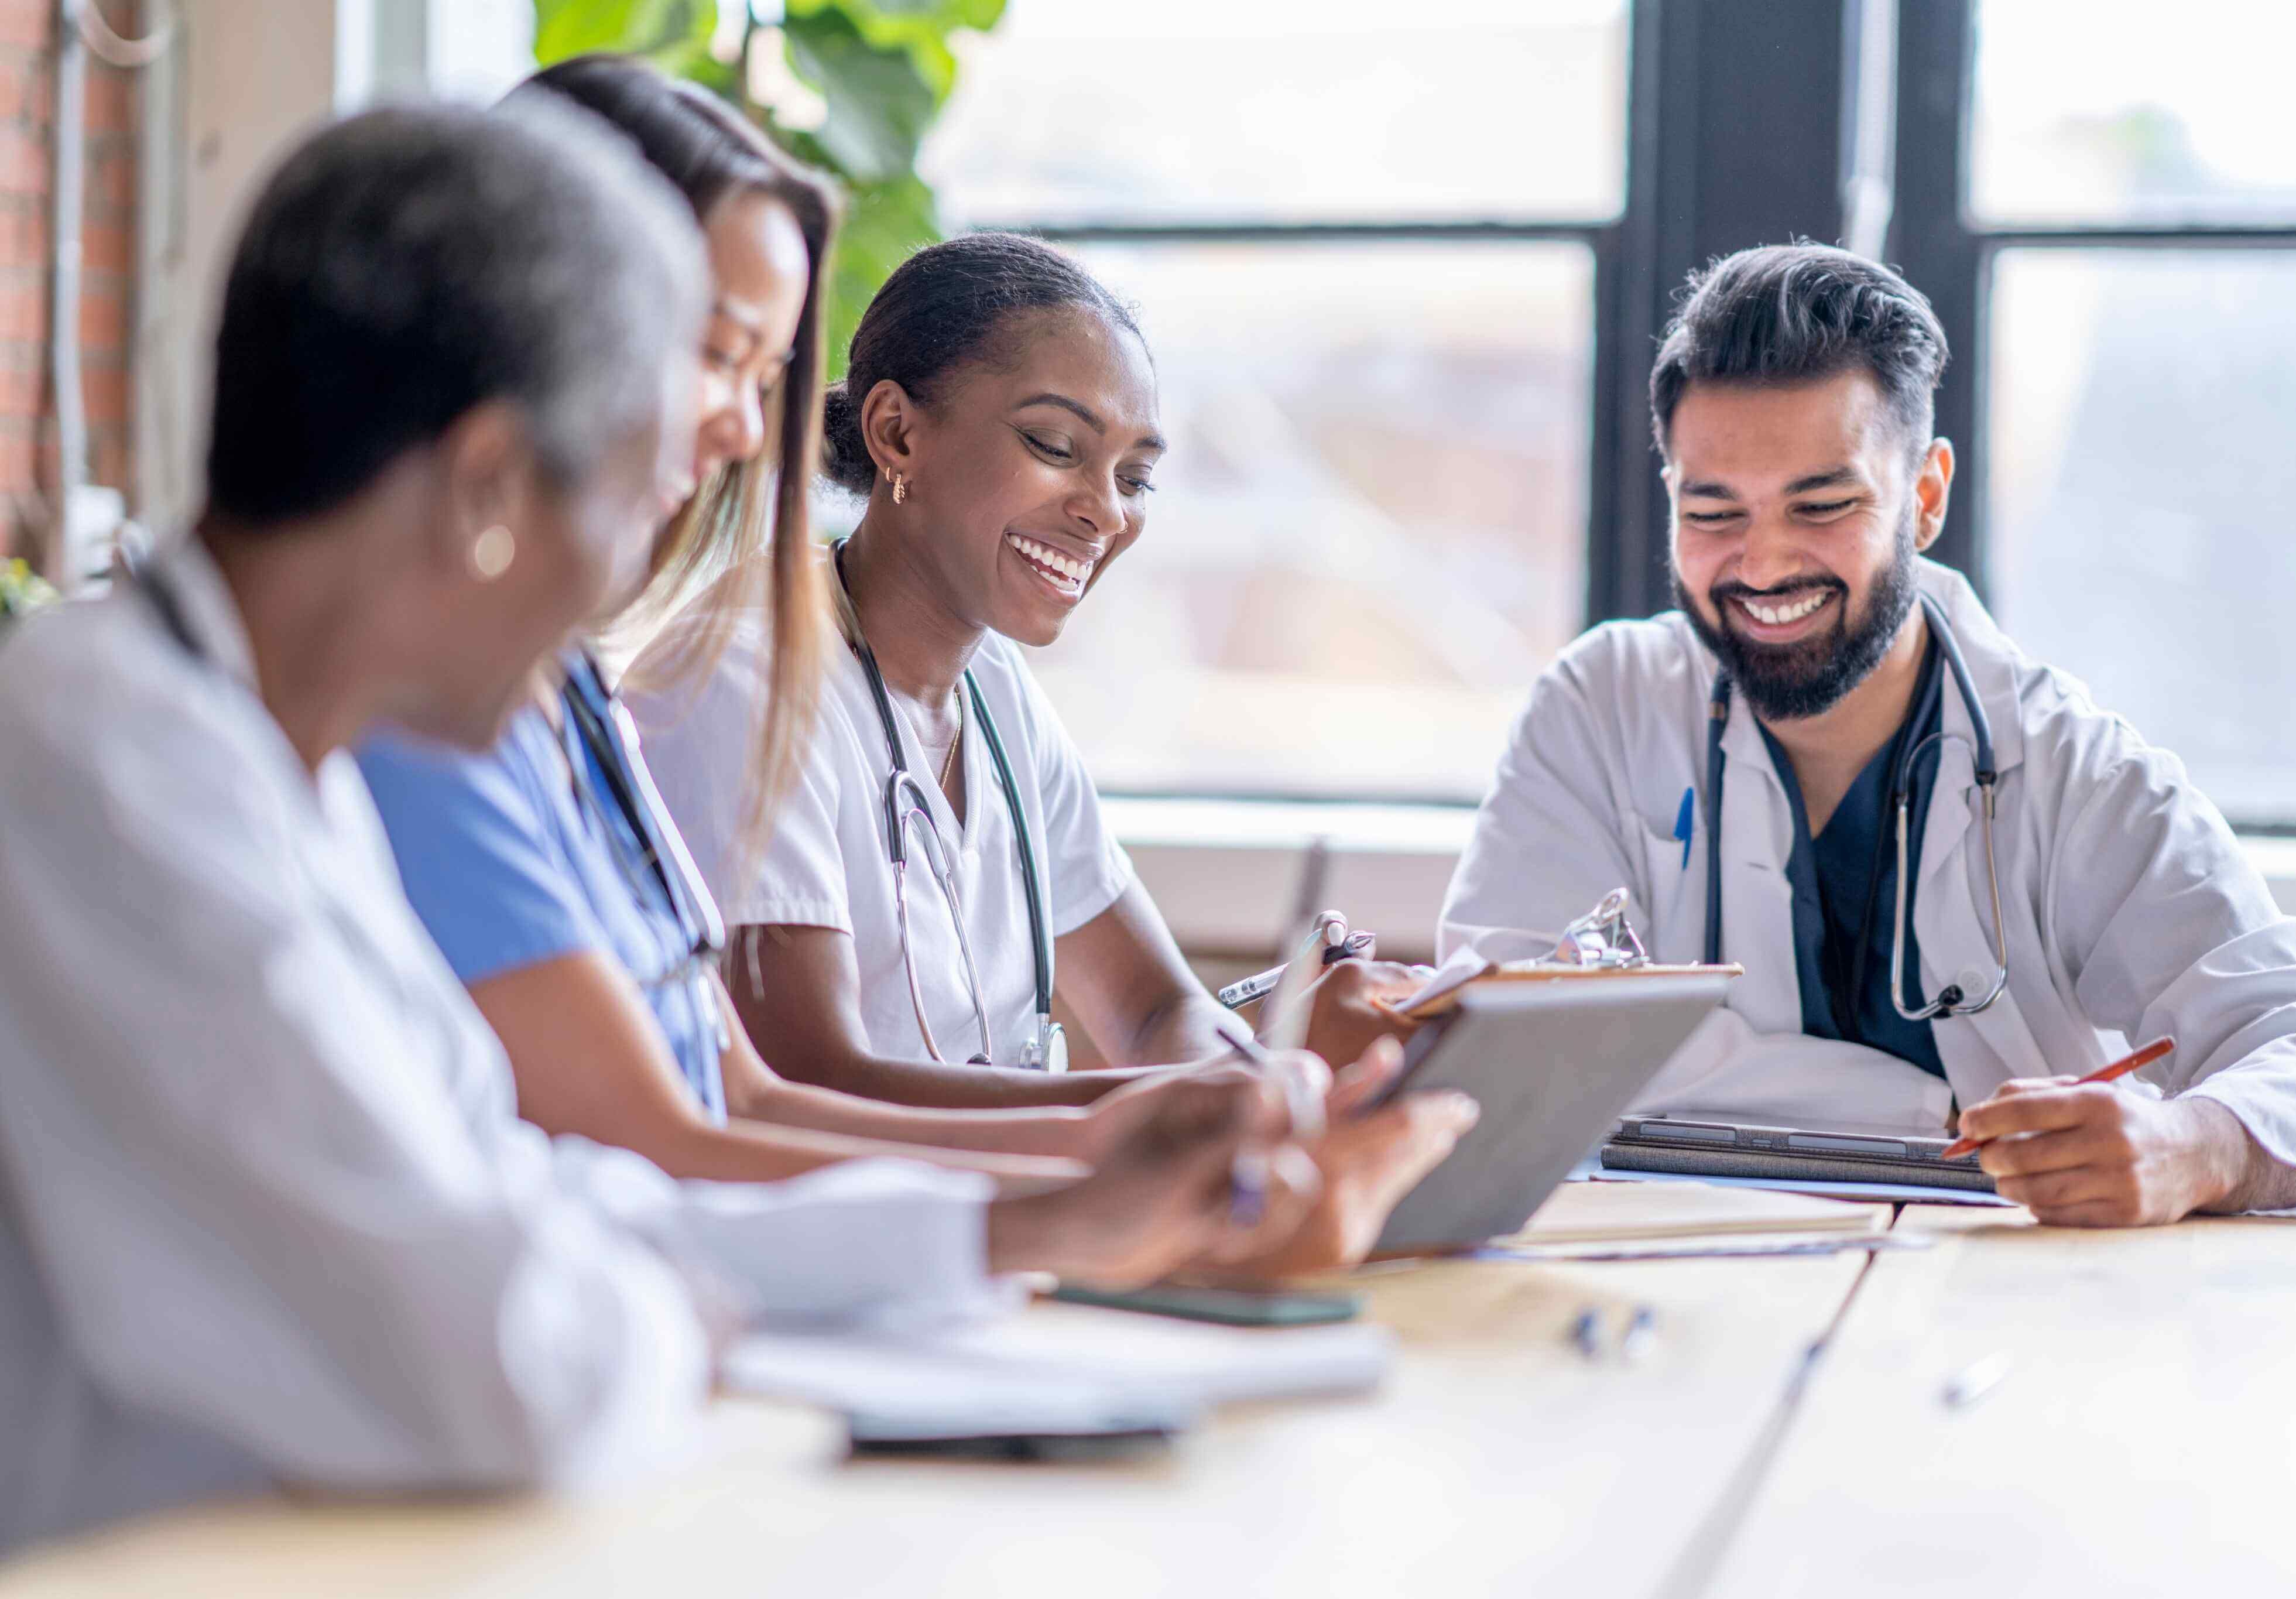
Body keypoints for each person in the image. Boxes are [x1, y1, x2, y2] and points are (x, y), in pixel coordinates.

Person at [0, 102, 1312, 1553]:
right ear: (490, 489)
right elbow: (506, 1358)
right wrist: (684, 1302)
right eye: (633, 498)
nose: (615, 615)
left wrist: (1033, 1226)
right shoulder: (110, 773)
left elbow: (540, 1197)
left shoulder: (261, 752)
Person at [1440, 242, 2296, 1227]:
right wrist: (1939, 1113)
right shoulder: (1598, 711)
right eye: (1712, 510)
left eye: (1823, 506)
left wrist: (2196, 1146)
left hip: (2010, 1305)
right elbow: (1495, 1062)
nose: (1762, 564)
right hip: (1676, 1294)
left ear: (1926, 497)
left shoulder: (2071, 770)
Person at [354, 57, 1177, 1189]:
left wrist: (1175, 1134)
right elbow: (687, 1132)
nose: (744, 430)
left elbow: (736, 1093)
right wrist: (1119, 1165)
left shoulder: (555, 700)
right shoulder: (416, 725)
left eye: (763, 371)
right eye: (713, 354)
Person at [633, 232, 1476, 1266]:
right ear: (897, 434)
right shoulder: (739, 677)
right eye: (1055, 447)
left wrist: (1261, 1075)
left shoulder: (994, 694)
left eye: (1135, 476)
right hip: (846, 1260)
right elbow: (807, 1082)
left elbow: (1153, 1005)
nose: (1106, 512)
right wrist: (1194, 1105)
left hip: (1010, 1241)